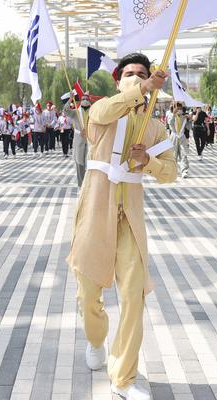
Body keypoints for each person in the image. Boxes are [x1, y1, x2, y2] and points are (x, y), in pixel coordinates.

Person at [68, 53, 175, 400]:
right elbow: (98, 115)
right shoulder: (103, 111)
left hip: (130, 214)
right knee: (88, 293)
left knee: (132, 294)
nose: (136, 78)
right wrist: (140, 89)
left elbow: (170, 173)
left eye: (142, 74)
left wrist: (150, 161)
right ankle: (96, 339)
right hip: (96, 206)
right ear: (119, 81)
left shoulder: (155, 127)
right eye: (129, 74)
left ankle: (124, 377)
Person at [63, 94, 90, 187]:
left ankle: (89, 185)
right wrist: (70, 99)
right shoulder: (75, 112)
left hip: (90, 140)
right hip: (79, 141)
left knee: (90, 162)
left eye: (87, 99)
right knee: (79, 163)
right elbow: (65, 111)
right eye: (83, 99)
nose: (85, 100)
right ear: (80, 100)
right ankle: (81, 185)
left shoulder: (93, 111)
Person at [170, 104, 191, 179]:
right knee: (173, 155)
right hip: (174, 137)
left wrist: (189, 120)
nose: (179, 110)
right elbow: (170, 124)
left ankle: (184, 171)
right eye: (177, 108)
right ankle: (173, 171)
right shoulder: (171, 116)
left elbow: (188, 127)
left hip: (182, 137)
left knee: (184, 154)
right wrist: (173, 114)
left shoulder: (184, 117)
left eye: (180, 109)